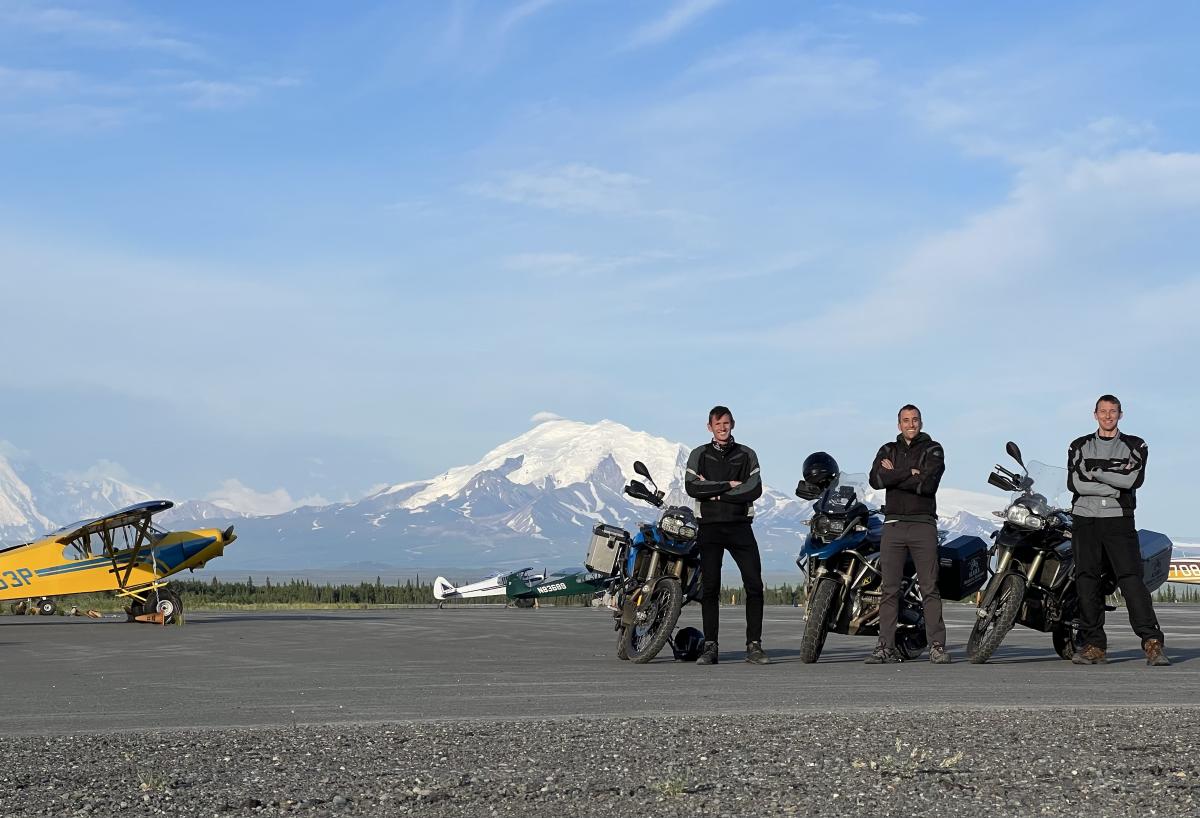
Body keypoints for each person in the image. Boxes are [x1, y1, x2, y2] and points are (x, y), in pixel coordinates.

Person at [1068, 395, 1169, 666]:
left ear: (1120, 415)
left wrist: (1095, 472)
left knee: (1131, 580)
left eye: (1113, 412)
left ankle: (1152, 643)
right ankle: (1094, 646)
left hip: (1118, 520)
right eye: (1103, 411)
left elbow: (1133, 479)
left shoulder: (1135, 445)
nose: (1108, 416)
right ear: (1095, 414)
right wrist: (1112, 482)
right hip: (1085, 519)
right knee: (1087, 581)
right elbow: (1075, 483)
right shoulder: (1079, 445)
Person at [865, 404, 950, 664]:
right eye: (905, 420)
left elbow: (928, 485)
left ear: (921, 423)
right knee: (889, 589)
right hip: (893, 525)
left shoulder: (933, 449)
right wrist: (909, 473)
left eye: (914, 420)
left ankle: (936, 646)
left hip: (923, 524)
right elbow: (876, 480)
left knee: (929, 588)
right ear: (898, 424)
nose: (910, 424)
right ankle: (884, 647)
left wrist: (894, 474)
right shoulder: (887, 449)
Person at [684, 405, 768, 665]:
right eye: (718, 424)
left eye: (727, 423)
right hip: (709, 526)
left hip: (740, 526)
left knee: (754, 585)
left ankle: (754, 646)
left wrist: (716, 493)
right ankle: (711, 647)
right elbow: (692, 487)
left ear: (733, 425)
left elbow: (754, 489)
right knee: (710, 588)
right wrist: (728, 485)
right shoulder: (699, 454)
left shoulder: (746, 454)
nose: (722, 428)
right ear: (709, 427)